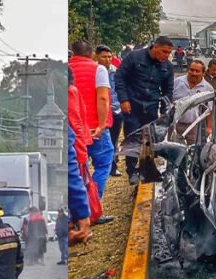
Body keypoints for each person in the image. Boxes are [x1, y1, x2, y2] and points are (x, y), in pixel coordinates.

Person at [115, 36, 175, 183]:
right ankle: (132, 171)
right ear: (154, 47)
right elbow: (119, 77)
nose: (166, 55)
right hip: (132, 105)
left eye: (169, 53)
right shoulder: (134, 57)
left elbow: (168, 90)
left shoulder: (167, 66)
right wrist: (123, 99)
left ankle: (147, 169)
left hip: (151, 107)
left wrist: (165, 110)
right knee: (133, 137)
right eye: (164, 51)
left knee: (150, 139)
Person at [68, 40, 113, 199]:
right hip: (95, 129)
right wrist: (101, 125)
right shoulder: (98, 69)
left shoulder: (65, 70)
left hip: (73, 131)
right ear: (92, 54)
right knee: (103, 164)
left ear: (73, 53)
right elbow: (102, 98)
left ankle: (78, 210)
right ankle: (92, 204)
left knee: (78, 169)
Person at [95, 45, 123, 177]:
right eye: (104, 57)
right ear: (96, 57)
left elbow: (120, 89)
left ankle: (112, 166)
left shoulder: (116, 72)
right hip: (100, 112)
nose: (107, 59)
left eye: (109, 57)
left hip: (115, 111)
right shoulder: (94, 72)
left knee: (113, 140)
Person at [173, 60, 214, 145]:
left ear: (203, 73)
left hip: (194, 127)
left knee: (194, 152)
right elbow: (168, 103)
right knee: (173, 152)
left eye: (197, 71)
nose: (194, 73)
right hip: (175, 126)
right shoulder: (177, 82)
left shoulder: (207, 88)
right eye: (191, 70)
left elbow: (209, 110)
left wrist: (208, 128)